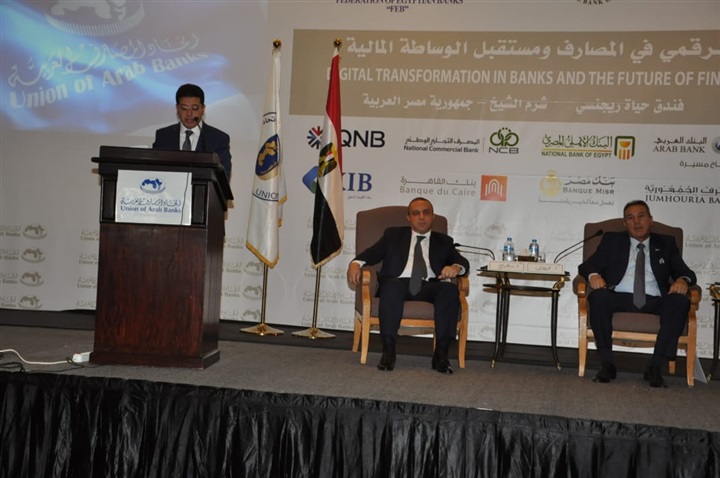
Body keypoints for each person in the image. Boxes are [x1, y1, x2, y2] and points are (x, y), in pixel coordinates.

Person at [578, 199, 696, 388]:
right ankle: (607, 364)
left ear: (650, 220)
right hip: (619, 296)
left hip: (655, 299)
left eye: (641, 216)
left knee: (680, 302)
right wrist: (593, 276)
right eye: (630, 218)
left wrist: (682, 280)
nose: (636, 222)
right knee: (598, 297)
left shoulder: (666, 243)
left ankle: (655, 366)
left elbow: (686, 272)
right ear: (625, 224)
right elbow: (587, 266)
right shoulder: (612, 240)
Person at [347, 197, 470, 374]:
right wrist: (354, 264)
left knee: (450, 290)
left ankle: (441, 355)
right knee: (391, 286)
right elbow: (371, 254)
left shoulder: (444, 241)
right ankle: (388, 352)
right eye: (416, 213)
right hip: (398, 283)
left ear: (433, 216)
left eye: (426, 213)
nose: (422, 217)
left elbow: (463, 263)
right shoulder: (393, 235)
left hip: (429, 285)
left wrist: (455, 268)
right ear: (409, 218)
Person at [153, 83, 232, 177]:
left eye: (195, 108)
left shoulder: (218, 139)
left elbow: (224, 175)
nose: (189, 114)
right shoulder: (163, 136)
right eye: (184, 108)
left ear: (203, 109)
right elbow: (154, 170)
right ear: (177, 108)